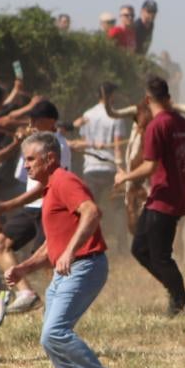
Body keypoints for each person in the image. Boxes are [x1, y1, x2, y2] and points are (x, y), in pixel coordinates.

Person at [3, 132, 127, 368]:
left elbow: (92, 212)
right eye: (25, 159)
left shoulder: (65, 181)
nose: (26, 165)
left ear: (50, 159)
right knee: (49, 338)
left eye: (31, 159)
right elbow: (51, 246)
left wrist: (70, 251)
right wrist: (23, 268)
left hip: (85, 264)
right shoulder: (51, 189)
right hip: (68, 270)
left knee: (54, 331)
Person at [115, 76, 185, 316]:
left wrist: (125, 177)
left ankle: (180, 300)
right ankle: (179, 294)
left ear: (147, 99)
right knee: (139, 249)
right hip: (171, 198)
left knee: (160, 257)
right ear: (168, 97)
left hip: (163, 199)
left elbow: (150, 167)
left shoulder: (156, 126)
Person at [0, 101, 69, 321]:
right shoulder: (35, 144)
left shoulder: (58, 145)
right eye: (30, 120)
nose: (31, 124)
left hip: (50, 207)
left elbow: (46, 186)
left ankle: (57, 311)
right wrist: (19, 144)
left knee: (49, 262)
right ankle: (26, 293)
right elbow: (23, 177)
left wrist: (8, 205)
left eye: (35, 121)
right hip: (31, 208)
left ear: (50, 122)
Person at [76, 83, 131, 249]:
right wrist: (122, 169)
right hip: (110, 169)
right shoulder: (115, 116)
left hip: (91, 168)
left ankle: (88, 245)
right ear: (111, 95)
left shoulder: (87, 115)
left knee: (90, 209)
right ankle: (122, 248)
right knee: (119, 208)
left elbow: (83, 142)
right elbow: (117, 147)